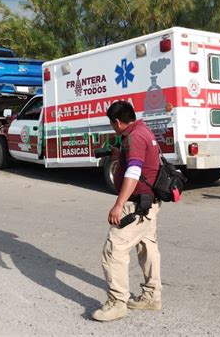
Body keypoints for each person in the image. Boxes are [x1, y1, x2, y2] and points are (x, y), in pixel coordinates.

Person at [92, 101, 162, 322]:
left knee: (113, 250)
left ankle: (117, 302)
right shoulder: (143, 130)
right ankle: (151, 296)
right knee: (147, 247)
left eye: (112, 125)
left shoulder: (134, 137)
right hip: (150, 203)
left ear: (117, 122)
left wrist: (119, 204)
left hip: (137, 205)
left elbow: (133, 171)